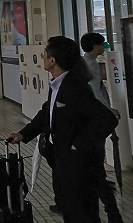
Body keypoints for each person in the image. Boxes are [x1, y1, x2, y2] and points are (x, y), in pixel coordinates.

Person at [7, 36, 117, 223]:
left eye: (44, 54)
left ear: (53, 60)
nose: (42, 57)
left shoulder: (74, 86)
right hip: (60, 159)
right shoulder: (58, 84)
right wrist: (23, 134)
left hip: (78, 162)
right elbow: (47, 112)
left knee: (82, 213)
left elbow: (107, 119)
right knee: (69, 208)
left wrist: (78, 144)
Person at [72, 33, 122, 223]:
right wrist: (109, 111)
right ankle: (112, 210)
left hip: (90, 124)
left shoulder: (84, 63)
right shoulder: (90, 65)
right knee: (96, 167)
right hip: (94, 122)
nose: (104, 47)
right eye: (102, 44)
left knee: (94, 168)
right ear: (95, 46)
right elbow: (96, 94)